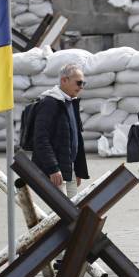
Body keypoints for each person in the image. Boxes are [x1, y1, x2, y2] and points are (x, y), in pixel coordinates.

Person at [32, 63, 89, 199]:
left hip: (69, 169)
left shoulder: (70, 102)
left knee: (74, 212)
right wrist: (53, 169)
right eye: (79, 83)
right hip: (56, 172)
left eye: (83, 83)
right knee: (61, 214)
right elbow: (41, 139)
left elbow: (76, 138)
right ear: (64, 80)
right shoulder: (50, 103)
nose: (81, 87)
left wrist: (78, 170)